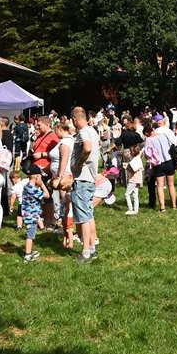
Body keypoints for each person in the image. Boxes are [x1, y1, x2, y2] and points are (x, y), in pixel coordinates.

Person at [69, 107, 101, 264]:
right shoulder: (93, 131)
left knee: (83, 216)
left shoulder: (83, 132)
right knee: (89, 214)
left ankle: (86, 251)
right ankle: (92, 248)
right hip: (89, 178)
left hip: (82, 179)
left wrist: (78, 165)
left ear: (75, 119)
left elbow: (87, 148)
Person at [143, 120, 175, 211]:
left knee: (160, 185)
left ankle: (162, 207)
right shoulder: (163, 136)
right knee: (171, 184)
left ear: (146, 133)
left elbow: (148, 154)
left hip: (158, 163)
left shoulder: (149, 140)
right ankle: (174, 205)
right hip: (169, 161)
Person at [20, 168, 49, 263]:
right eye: (40, 177)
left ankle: (29, 251)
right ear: (37, 177)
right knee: (30, 235)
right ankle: (27, 255)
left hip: (29, 214)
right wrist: (42, 184)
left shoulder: (27, 186)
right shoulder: (33, 189)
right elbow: (47, 195)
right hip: (31, 216)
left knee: (31, 234)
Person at [125, 146, 144, 215]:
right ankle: (136, 210)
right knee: (135, 195)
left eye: (131, 151)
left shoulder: (135, 160)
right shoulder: (138, 158)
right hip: (137, 179)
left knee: (127, 194)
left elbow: (133, 169)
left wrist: (126, 167)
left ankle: (130, 209)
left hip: (133, 179)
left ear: (133, 152)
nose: (130, 153)